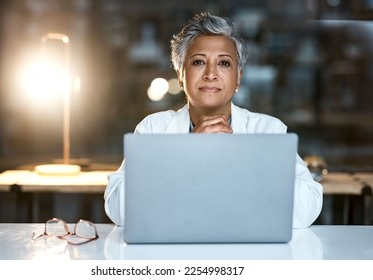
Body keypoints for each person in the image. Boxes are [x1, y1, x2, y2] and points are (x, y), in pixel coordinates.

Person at [104, 12, 323, 229]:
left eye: (224, 64)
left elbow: (305, 211)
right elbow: (119, 210)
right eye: (199, 62)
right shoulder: (153, 129)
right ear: (181, 75)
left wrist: (240, 156)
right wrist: (188, 153)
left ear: (238, 77)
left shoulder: (269, 130)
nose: (211, 74)